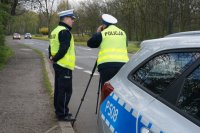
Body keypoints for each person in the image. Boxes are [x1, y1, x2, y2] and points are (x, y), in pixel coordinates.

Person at [87, 14, 129, 88]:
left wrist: (97, 33)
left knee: (106, 90)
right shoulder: (123, 33)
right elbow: (125, 45)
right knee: (120, 90)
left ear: (104, 25)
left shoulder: (102, 34)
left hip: (107, 66)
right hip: (123, 65)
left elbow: (90, 44)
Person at [49, 9, 76, 121]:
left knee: (59, 90)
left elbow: (51, 46)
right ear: (65, 19)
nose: (73, 21)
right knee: (65, 91)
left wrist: (52, 57)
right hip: (65, 65)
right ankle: (62, 114)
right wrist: (55, 58)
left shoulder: (55, 30)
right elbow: (63, 49)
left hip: (58, 65)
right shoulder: (64, 32)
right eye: (71, 18)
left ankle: (59, 111)